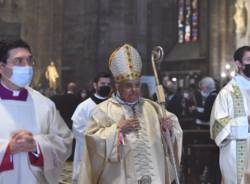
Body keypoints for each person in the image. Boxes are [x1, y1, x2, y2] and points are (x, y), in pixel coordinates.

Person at [78, 44, 183, 184]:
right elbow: (92, 143)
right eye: (128, 85)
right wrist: (117, 130)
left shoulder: (153, 108)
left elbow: (173, 135)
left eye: (137, 85)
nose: (134, 90)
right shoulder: (103, 110)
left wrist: (168, 130)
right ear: (117, 86)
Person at [0, 39, 72, 184]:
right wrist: (7, 149)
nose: (27, 67)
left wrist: (37, 146)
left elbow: (65, 141)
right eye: (19, 61)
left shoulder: (45, 105)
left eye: (29, 60)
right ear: (2, 68)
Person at [210, 46, 250, 184]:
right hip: (236, 154)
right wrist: (246, 122)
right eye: (249, 60)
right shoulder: (226, 93)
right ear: (238, 64)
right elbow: (217, 128)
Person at [71, 72, 112, 183]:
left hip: (110, 155)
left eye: (108, 84)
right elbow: (78, 130)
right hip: (88, 153)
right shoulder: (84, 106)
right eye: (102, 83)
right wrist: (100, 138)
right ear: (95, 85)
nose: (105, 86)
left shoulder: (114, 105)